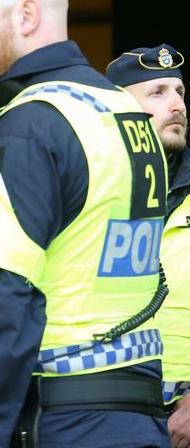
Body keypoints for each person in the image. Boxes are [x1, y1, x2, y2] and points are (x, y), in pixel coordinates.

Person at [0, 0, 170, 447]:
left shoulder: (30, 128)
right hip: (135, 413)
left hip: (58, 417)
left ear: (27, 15)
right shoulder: (120, 111)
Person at [106, 44, 190, 446]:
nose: (177, 105)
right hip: (110, 408)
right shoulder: (94, 188)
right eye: (158, 93)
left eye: (179, 92)